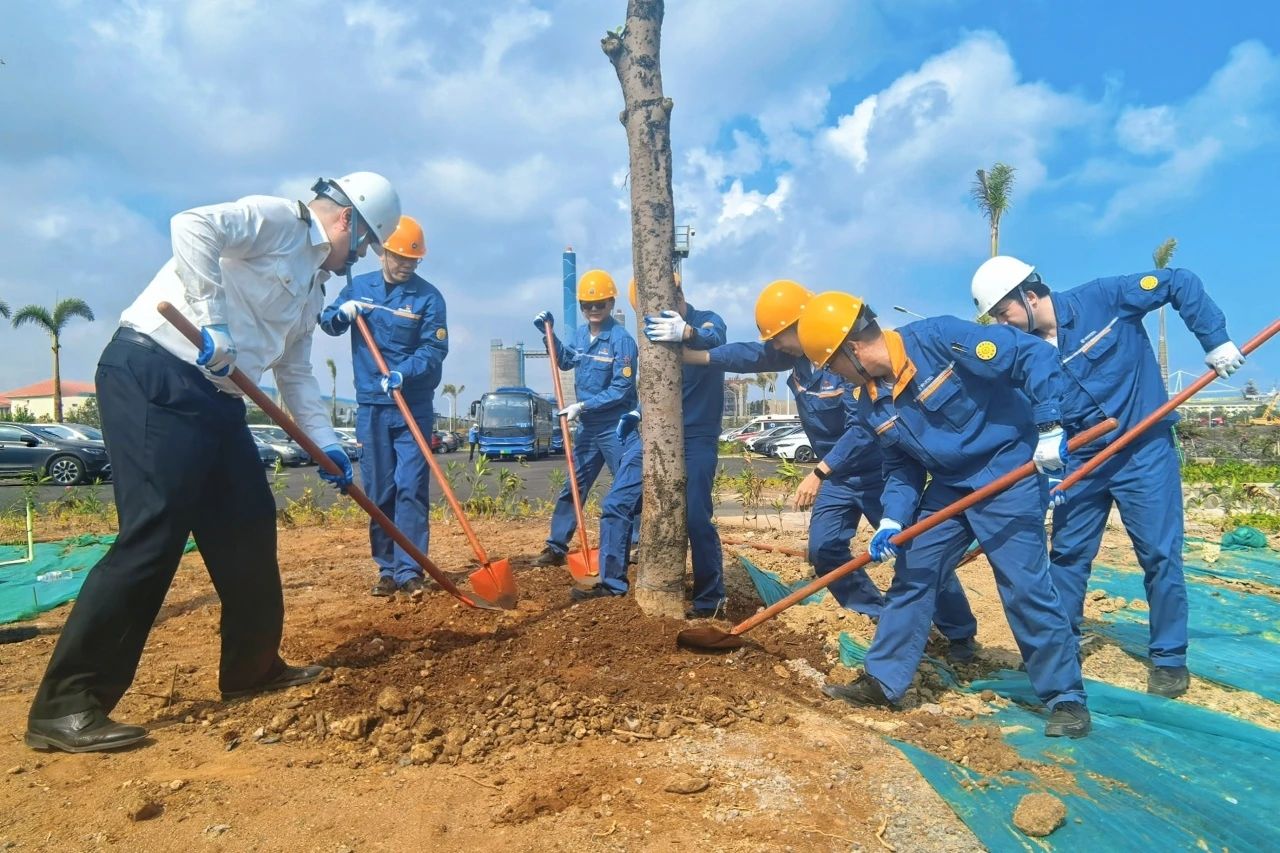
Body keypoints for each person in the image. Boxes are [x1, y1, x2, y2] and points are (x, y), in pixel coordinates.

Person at [25, 172, 400, 753]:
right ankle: (67, 704)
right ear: (347, 221)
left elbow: (295, 372)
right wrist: (211, 319)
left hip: (219, 398)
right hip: (155, 370)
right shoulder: (280, 220)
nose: (360, 258)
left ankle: (252, 669)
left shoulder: (313, 289)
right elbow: (191, 225)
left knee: (249, 524)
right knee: (154, 532)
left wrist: (324, 445)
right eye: (367, 243)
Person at [798, 292, 1090, 738]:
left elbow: (1031, 355)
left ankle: (1064, 696)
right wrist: (894, 519)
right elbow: (901, 466)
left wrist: (1050, 426)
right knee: (914, 570)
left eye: (832, 365)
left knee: (1023, 584)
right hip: (950, 486)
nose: (834, 377)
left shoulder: (941, 339)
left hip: (1005, 474)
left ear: (851, 350)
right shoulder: (869, 401)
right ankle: (883, 680)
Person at [971, 256, 1243, 698]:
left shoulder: (1103, 298)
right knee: (1068, 556)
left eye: (1004, 313)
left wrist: (1215, 340)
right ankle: (1061, 648)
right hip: (1080, 464)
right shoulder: (1025, 352)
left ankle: (1169, 657)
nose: (1003, 324)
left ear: (1030, 295)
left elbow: (1179, 282)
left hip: (1144, 450)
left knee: (1159, 554)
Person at [681, 281, 976, 649]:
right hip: (838, 477)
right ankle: (875, 614)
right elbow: (750, 355)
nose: (775, 345)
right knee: (824, 549)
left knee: (914, 552)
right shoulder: (796, 359)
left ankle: (960, 635)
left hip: (876, 473)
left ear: (799, 327)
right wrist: (697, 355)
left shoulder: (843, 364)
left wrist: (820, 472)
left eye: (779, 336)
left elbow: (862, 428)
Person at [571, 277, 728, 618]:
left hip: (696, 438)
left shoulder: (706, 319)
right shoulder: (649, 334)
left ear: (682, 295)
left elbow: (715, 339)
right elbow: (659, 384)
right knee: (616, 504)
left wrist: (687, 332)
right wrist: (638, 411)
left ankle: (709, 599)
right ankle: (612, 585)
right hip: (654, 434)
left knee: (696, 518)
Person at [319, 215, 445, 597]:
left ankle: (410, 569)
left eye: (413, 260)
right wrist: (341, 314)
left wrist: (405, 372)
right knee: (379, 490)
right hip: (371, 407)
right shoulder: (357, 287)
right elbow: (327, 323)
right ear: (381, 252)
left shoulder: (429, 297)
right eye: (400, 258)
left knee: (410, 486)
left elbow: (434, 349)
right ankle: (387, 568)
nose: (407, 266)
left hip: (412, 405)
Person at [531, 270, 638, 566]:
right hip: (589, 428)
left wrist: (584, 405)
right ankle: (557, 547)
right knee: (574, 485)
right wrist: (548, 335)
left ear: (611, 302)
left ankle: (637, 544)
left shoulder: (622, 340)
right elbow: (565, 361)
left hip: (616, 427)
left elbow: (621, 387)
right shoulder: (580, 334)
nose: (593, 310)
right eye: (587, 305)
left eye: (599, 304)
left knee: (628, 485)